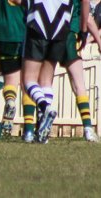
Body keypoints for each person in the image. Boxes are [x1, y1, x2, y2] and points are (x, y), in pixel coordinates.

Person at [10, 0, 90, 143]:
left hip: (38, 24)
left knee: (28, 80)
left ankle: (45, 107)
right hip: (61, 27)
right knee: (46, 81)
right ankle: (43, 133)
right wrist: (83, 31)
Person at [28, 0, 100, 143]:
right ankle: (88, 129)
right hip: (70, 34)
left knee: (44, 81)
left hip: (52, 33)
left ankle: (41, 128)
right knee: (78, 83)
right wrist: (89, 35)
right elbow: (86, 15)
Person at [0, 0, 37, 140]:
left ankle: (10, 101)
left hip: (4, 34)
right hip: (25, 33)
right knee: (28, 83)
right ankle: (29, 129)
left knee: (10, 80)